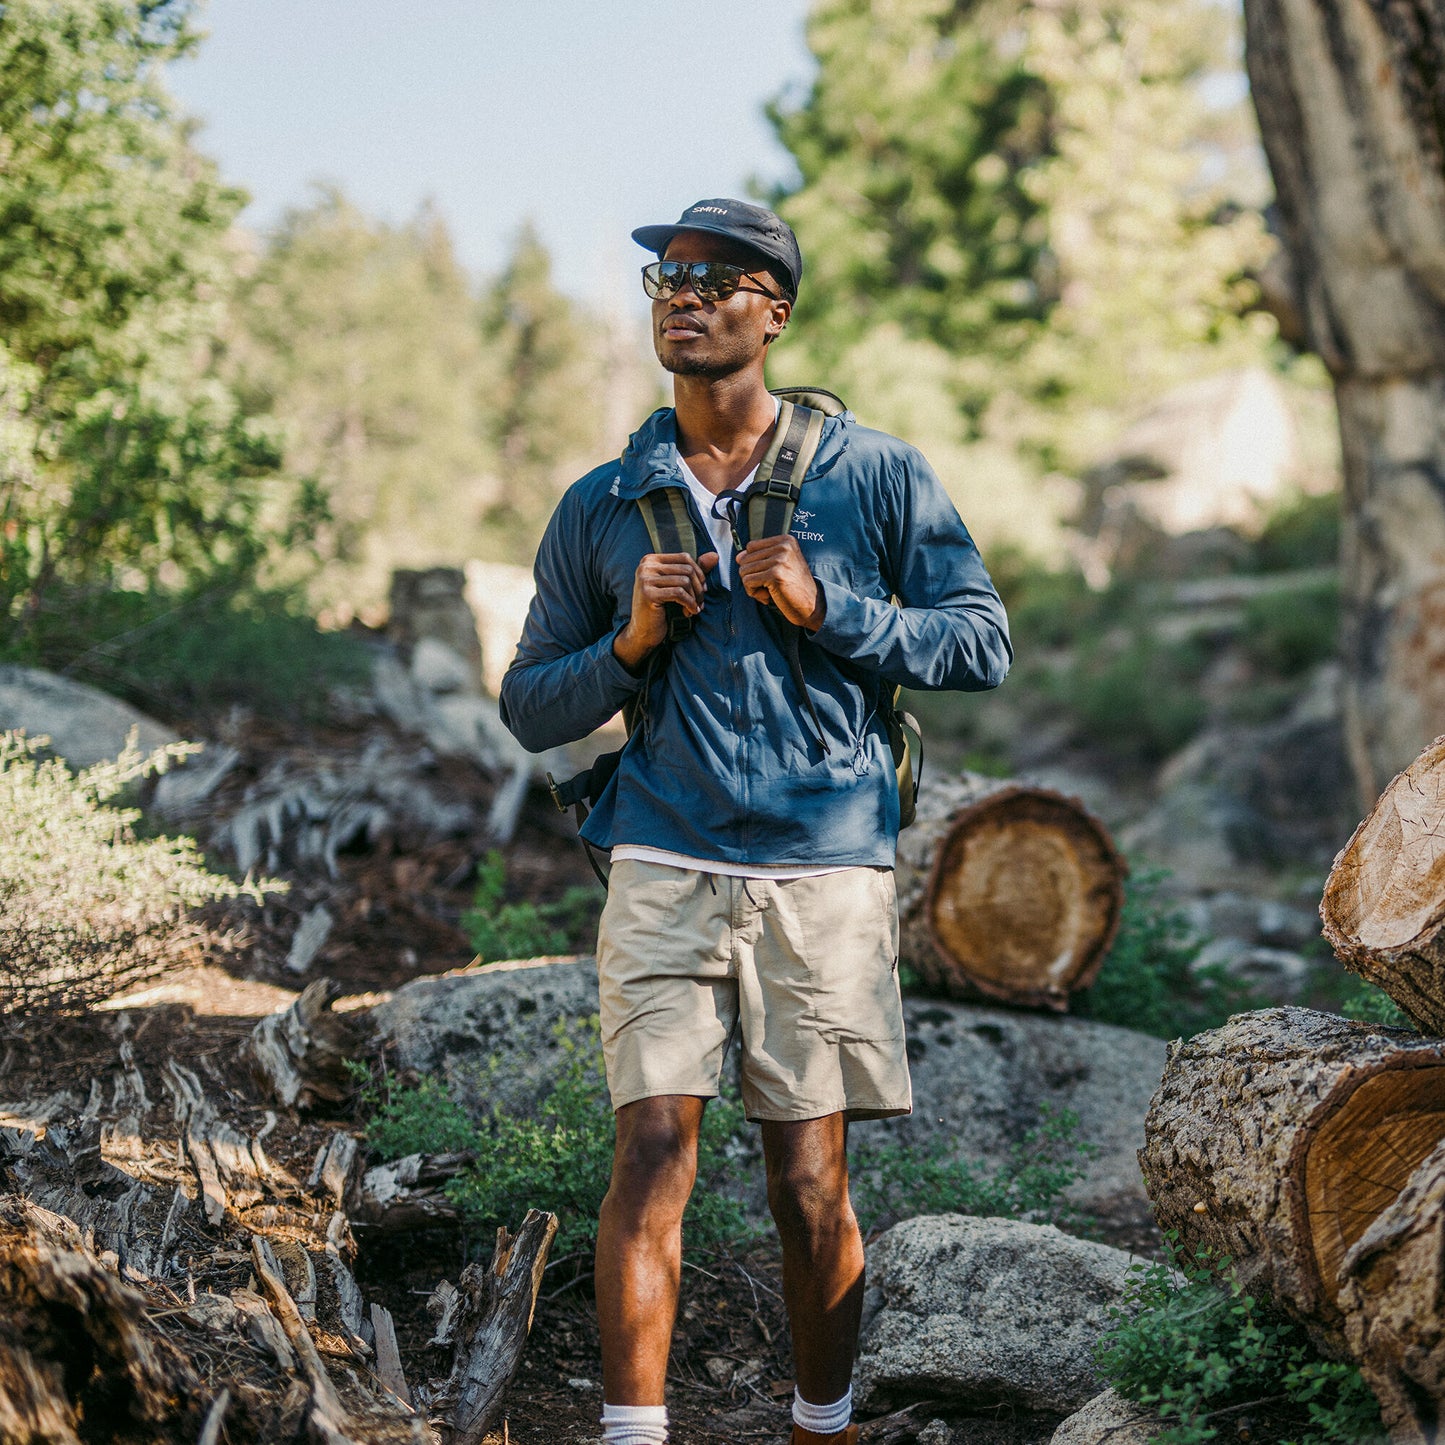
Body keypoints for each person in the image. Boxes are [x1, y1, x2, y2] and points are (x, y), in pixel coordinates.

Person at [499, 198, 1011, 1445]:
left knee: (808, 1180)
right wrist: (626, 642)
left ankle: (818, 1425)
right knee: (648, 1155)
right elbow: (528, 704)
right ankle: (634, 1435)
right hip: (660, 855)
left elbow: (979, 641)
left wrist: (833, 607)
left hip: (824, 868)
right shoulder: (602, 501)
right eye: (666, 277)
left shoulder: (873, 473)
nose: (681, 295)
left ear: (771, 313)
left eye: (713, 278)